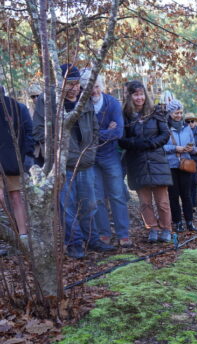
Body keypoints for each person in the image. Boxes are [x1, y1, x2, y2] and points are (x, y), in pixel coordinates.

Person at [34, 64, 114, 258]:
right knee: (68, 208)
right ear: (60, 84)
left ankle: (92, 239)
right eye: (69, 83)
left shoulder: (83, 101)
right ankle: (74, 244)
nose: (74, 87)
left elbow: (94, 128)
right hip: (62, 165)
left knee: (89, 205)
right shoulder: (47, 102)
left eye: (77, 83)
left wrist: (91, 151)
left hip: (86, 162)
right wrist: (57, 148)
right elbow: (37, 131)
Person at [80, 70, 131, 248]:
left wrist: (95, 134)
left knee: (117, 195)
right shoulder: (82, 105)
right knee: (98, 198)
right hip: (90, 159)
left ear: (100, 85)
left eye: (96, 86)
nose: (94, 91)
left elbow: (118, 132)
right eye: (89, 87)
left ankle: (123, 234)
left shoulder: (112, 103)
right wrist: (104, 132)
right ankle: (104, 234)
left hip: (110, 156)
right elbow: (82, 136)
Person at [119, 81, 172, 243]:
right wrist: (136, 144)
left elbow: (165, 134)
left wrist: (151, 143)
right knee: (145, 202)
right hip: (137, 162)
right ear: (130, 96)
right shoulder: (124, 116)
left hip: (156, 161)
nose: (139, 97)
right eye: (135, 94)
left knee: (162, 201)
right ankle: (152, 228)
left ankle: (166, 228)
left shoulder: (156, 112)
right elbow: (121, 139)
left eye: (141, 94)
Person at [0, 86, 34, 246]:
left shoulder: (15, 107)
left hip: (13, 160)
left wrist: (25, 156)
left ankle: (23, 236)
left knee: (16, 197)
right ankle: (5, 236)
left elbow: (28, 132)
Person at [163, 99, 197, 233]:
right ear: (170, 113)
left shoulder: (187, 128)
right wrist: (175, 148)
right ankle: (177, 222)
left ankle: (189, 221)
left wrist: (192, 149)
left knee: (187, 195)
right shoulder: (165, 128)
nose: (178, 115)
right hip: (171, 166)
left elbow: (193, 144)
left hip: (185, 165)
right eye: (176, 113)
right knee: (173, 195)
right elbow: (161, 147)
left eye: (180, 112)